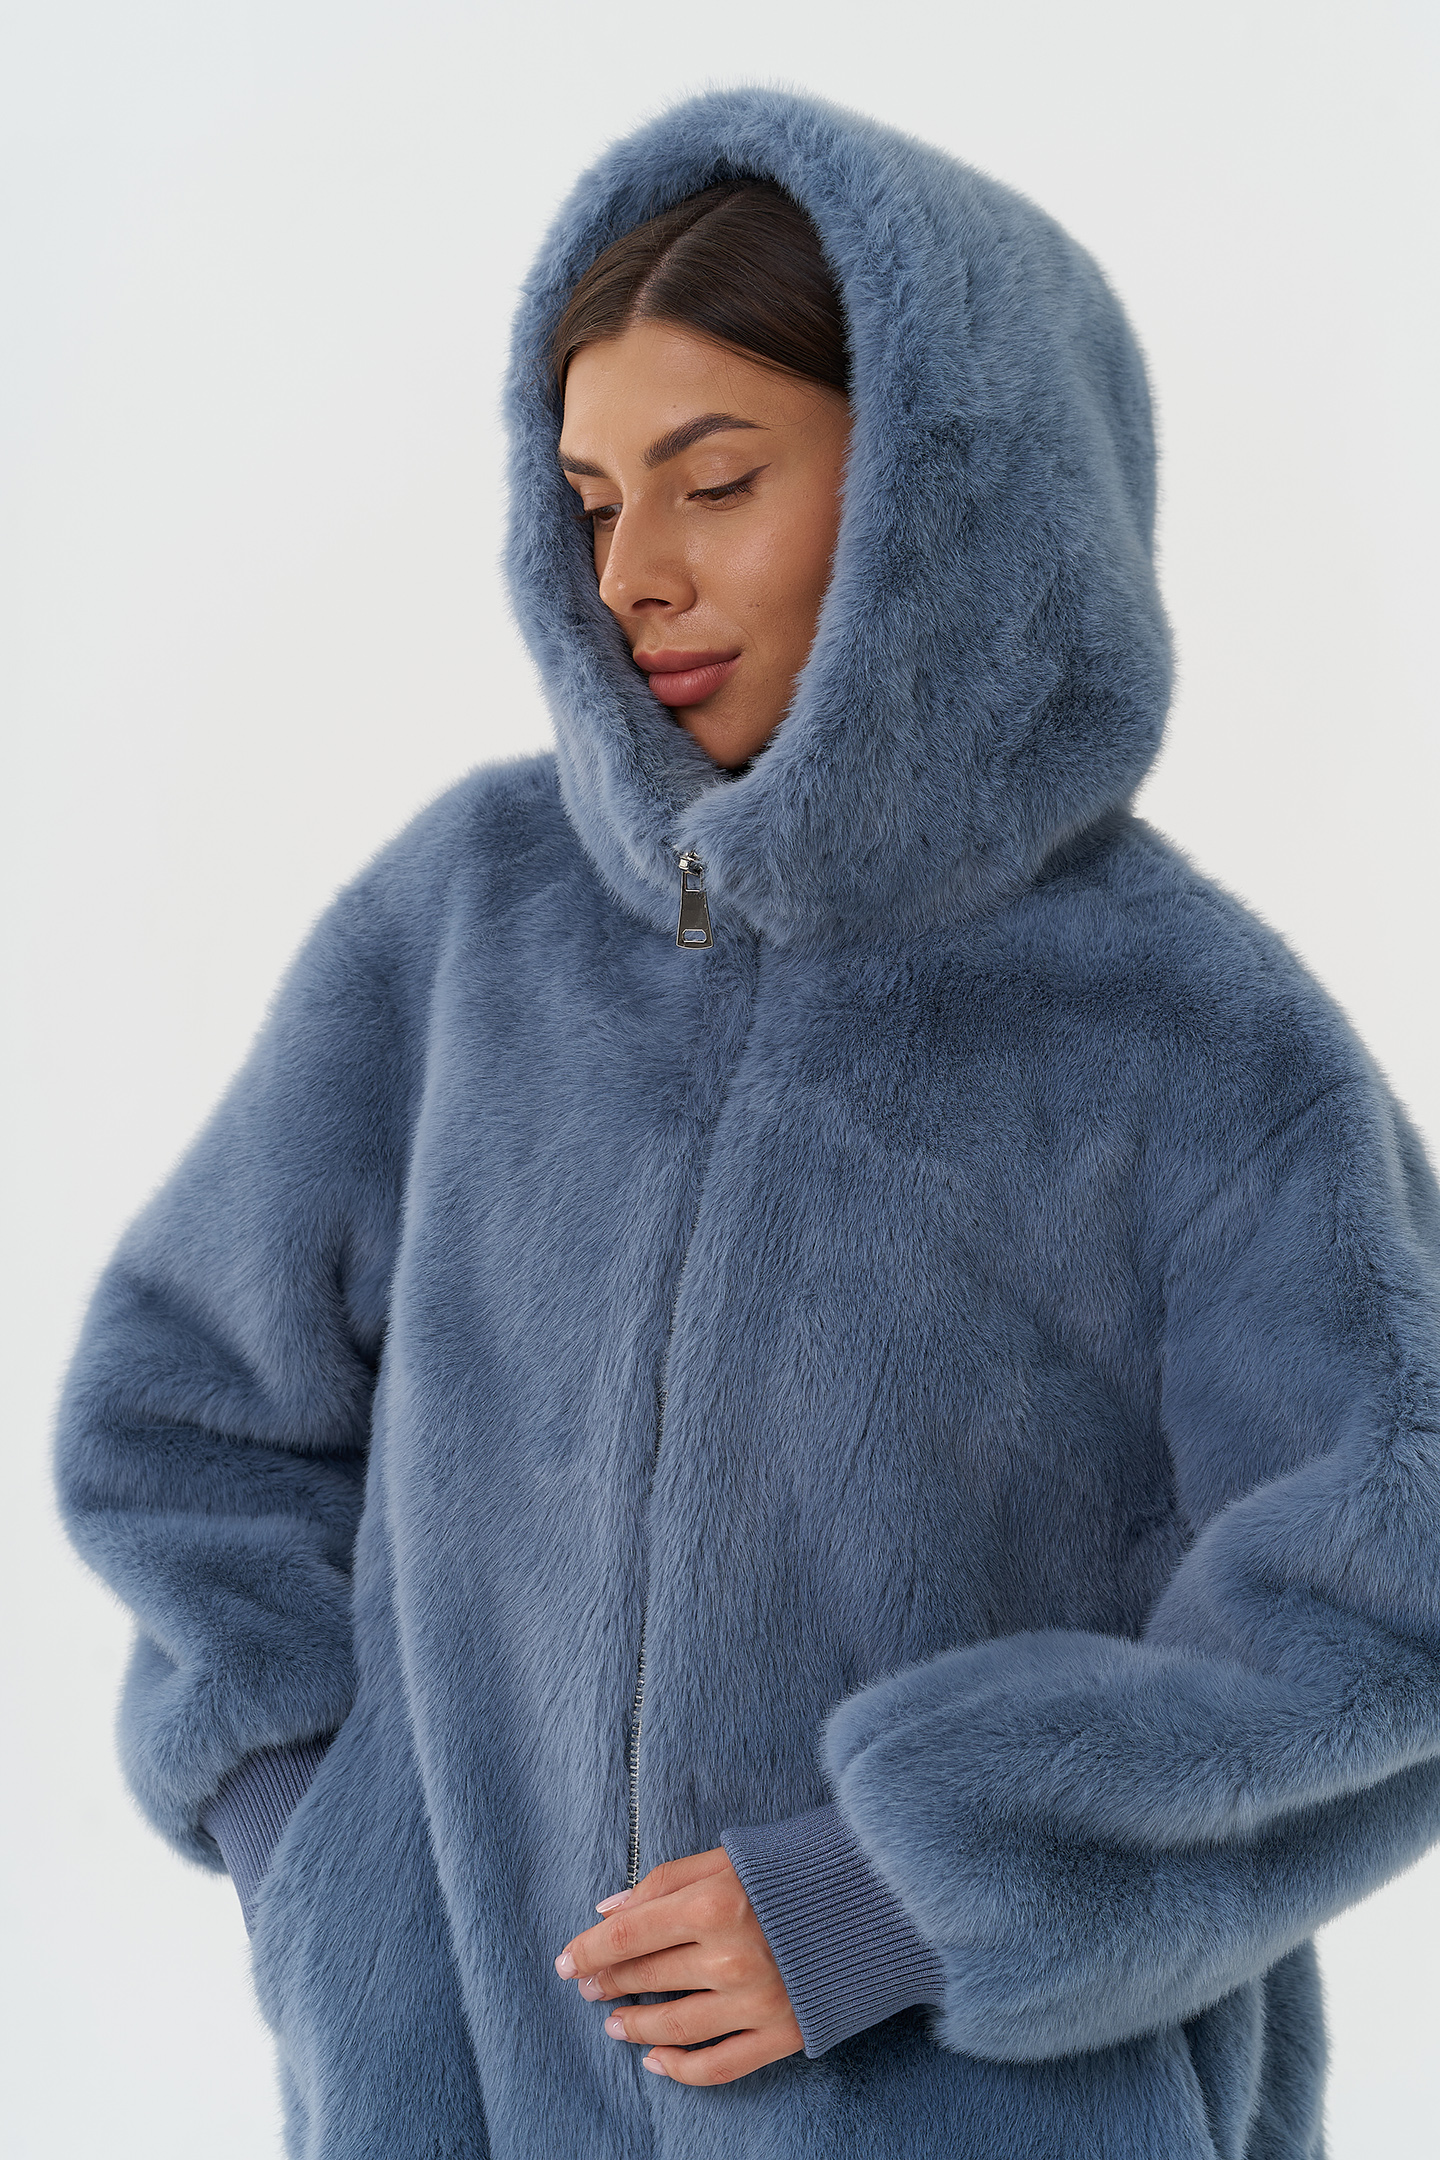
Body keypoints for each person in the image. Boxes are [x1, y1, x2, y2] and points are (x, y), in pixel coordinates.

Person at [55, 85, 1440, 2160]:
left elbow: (1386, 1599)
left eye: (716, 481)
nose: (635, 575)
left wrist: (899, 1898)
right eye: (592, 500)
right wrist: (317, 1842)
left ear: (940, 498)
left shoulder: (1200, 1042)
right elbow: (184, 1418)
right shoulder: (459, 930)